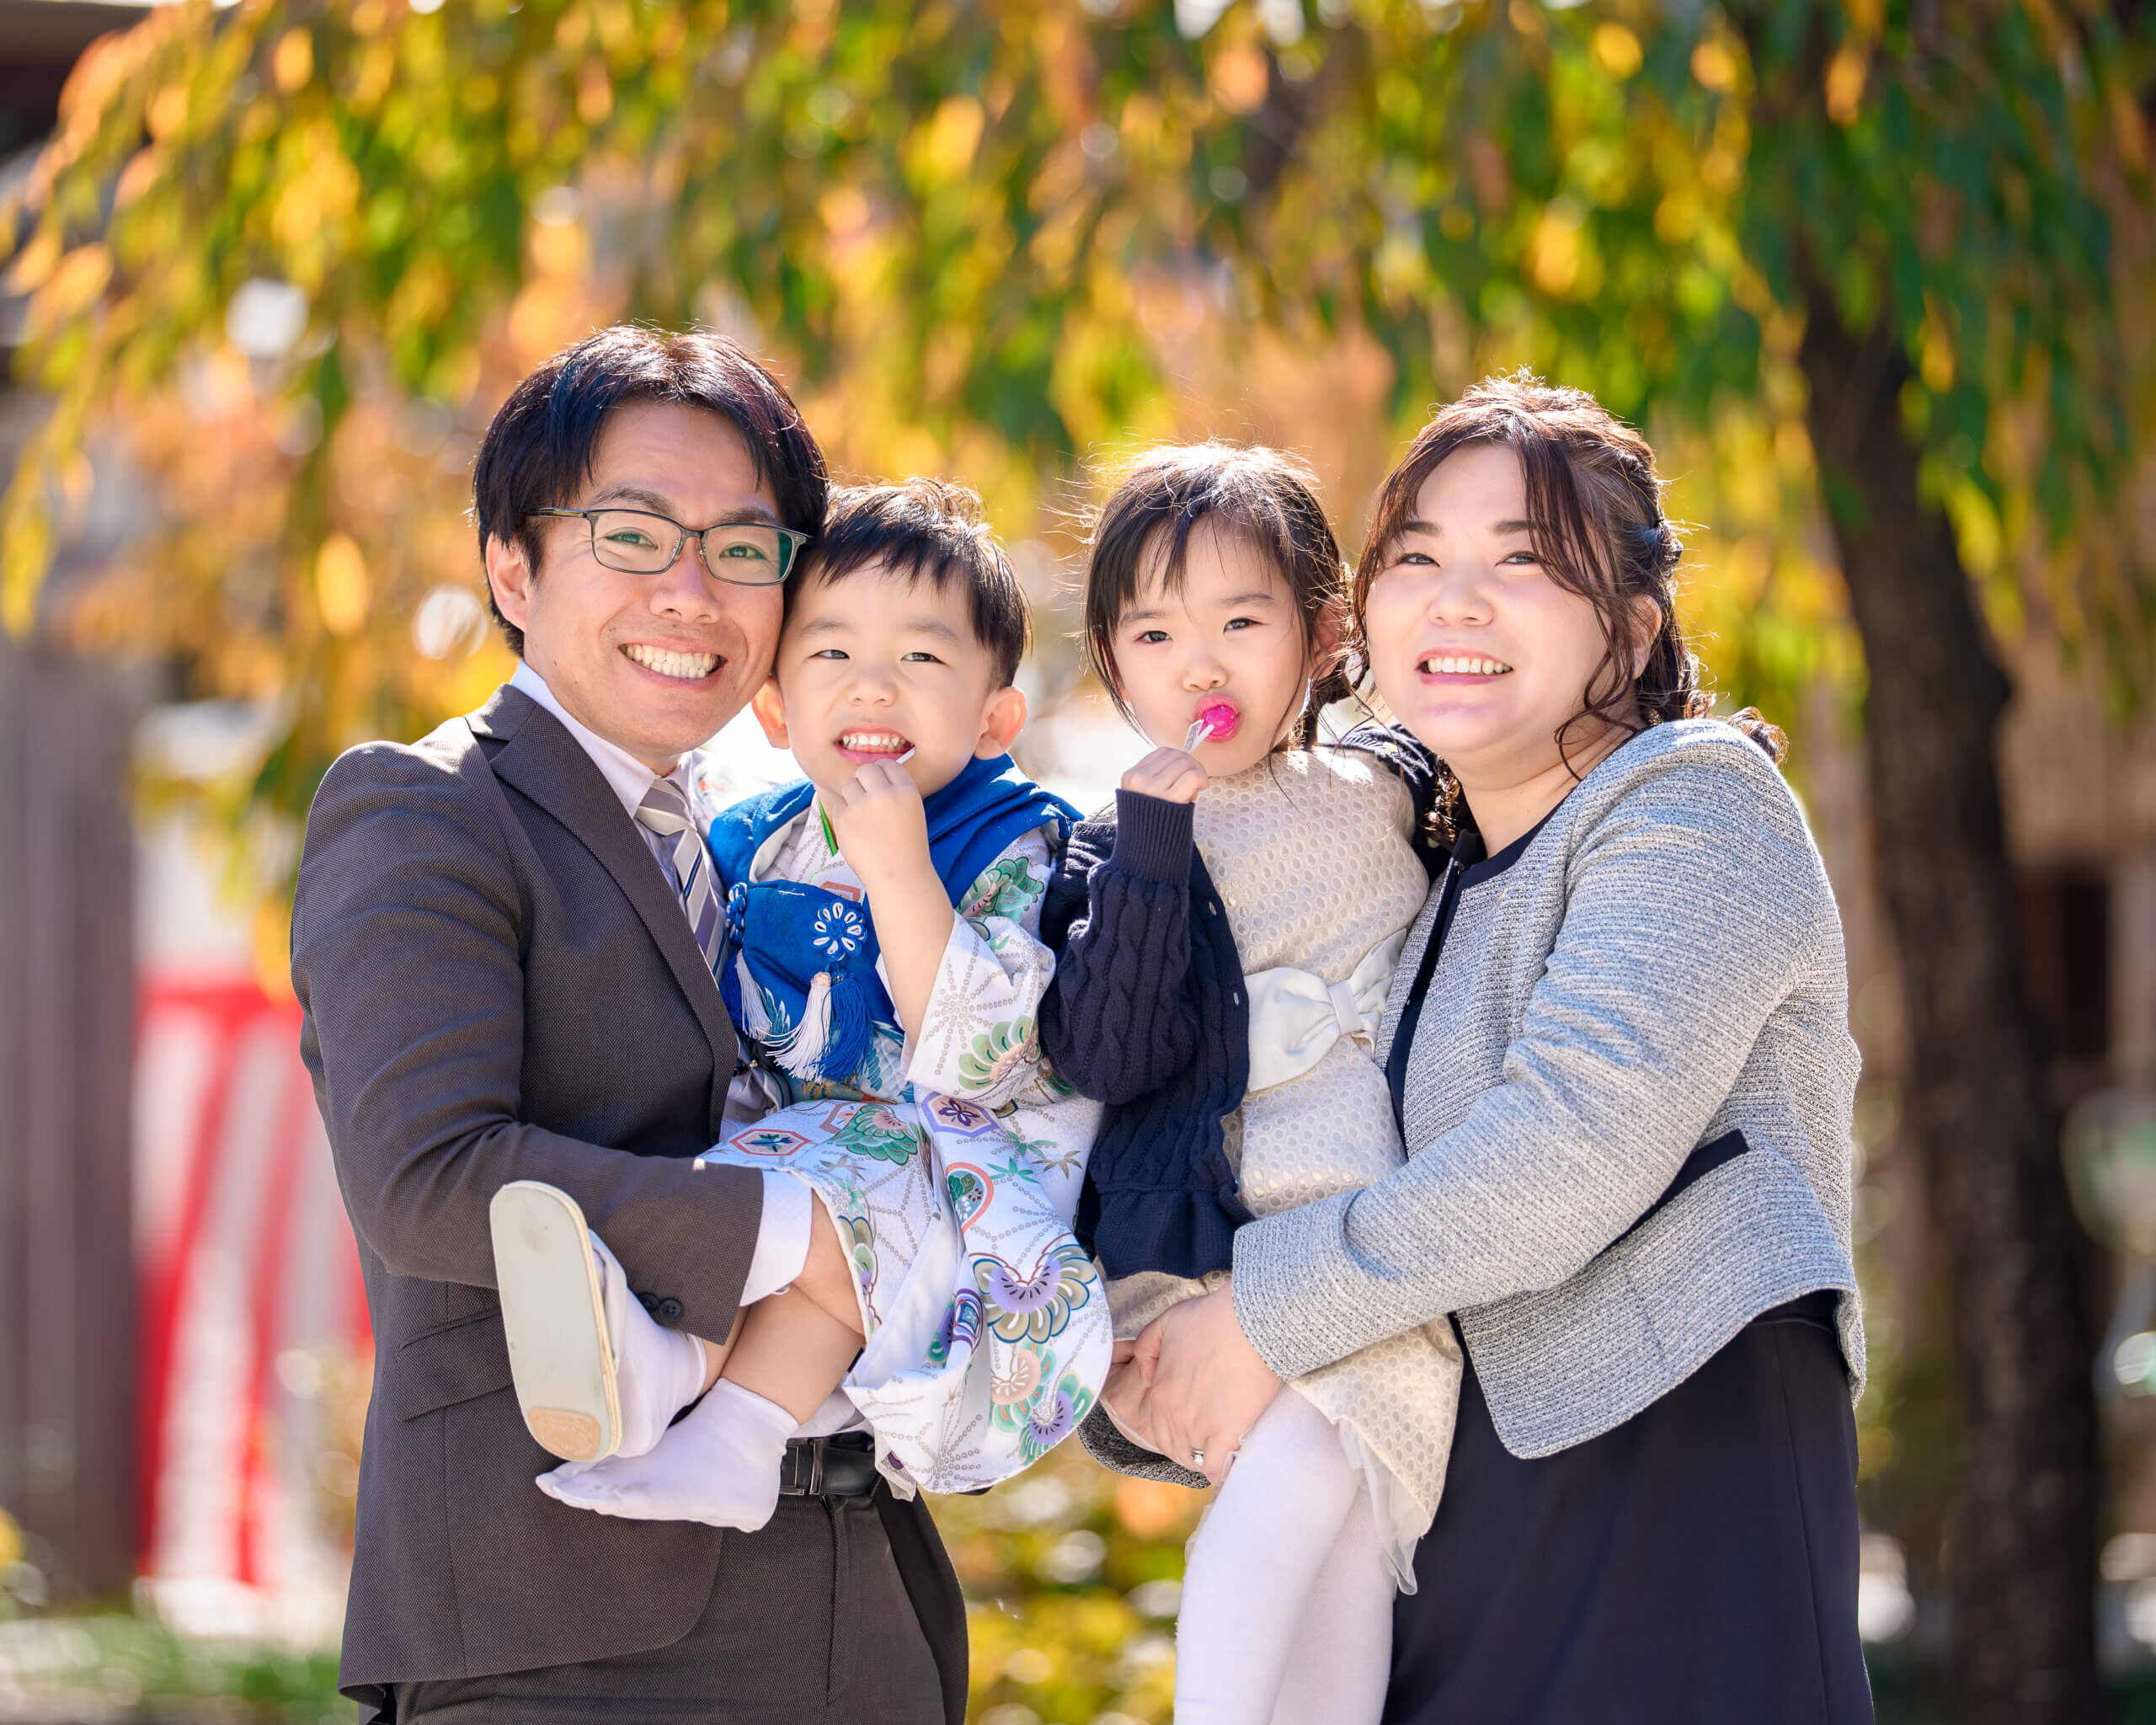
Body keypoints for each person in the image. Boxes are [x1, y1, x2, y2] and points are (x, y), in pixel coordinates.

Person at [1111, 375, 1872, 1722]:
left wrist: (1260, 1313)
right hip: (1459, 1581)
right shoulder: (1418, 882)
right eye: (1417, 559)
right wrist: (1152, 1346)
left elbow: (1566, 1153)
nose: (1455, 602)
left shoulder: (1695, 807)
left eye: (1521, 560)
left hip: (1674, 1539)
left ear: (1631, 629)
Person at [291, 328, 963, 1724]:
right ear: (512, 567)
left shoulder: (785, 841)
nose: (691, 591)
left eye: (742, 547)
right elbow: (430, 1180)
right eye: (634, 533)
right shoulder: (424, 811)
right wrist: (805, 1231)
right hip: (567, 1632)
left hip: (865, 1607)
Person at [492, 478, 1111, 1531]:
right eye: (830, 653)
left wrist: (901, 872)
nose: (871, 687)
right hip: (816, 1185)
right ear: (775, 708)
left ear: (995, 717)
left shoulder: (1017, 842)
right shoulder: (753, 837)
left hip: (965, 1186)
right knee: (749, 1163)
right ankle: (714, 1418)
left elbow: (979, 1057)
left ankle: (684, 1375)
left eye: (920, 659)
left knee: (814, 1173)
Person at [1038, 445, 1455, 1725]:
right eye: (1155, 634)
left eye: (1240, 622)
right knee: (1297, 1479)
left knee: (1354, 1520)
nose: (1200, 665)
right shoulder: (1112, 843)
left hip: (1366, 1230)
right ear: (1114, 663)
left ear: (1323, 639)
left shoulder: (1389, 784)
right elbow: (1103, 1054)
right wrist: (1149, 857)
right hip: (1216, 1239)